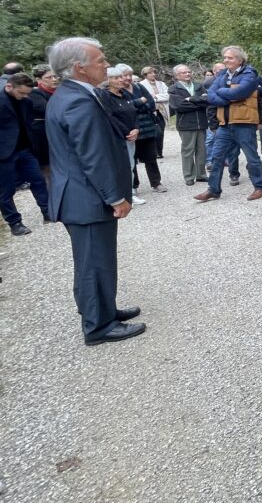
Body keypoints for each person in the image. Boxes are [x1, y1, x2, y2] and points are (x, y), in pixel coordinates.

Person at [45, 37, 145, 346]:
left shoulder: (76, 94)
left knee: (97, 259)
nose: (106, 64)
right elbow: (92, 154)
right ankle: (98, 326)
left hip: (84, 195)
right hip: (85, 197)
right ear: (79, 67)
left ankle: (103, 310)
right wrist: (115, 197)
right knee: (93, 262)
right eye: (100, 60)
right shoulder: (78, 100)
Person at [195, 45, 262, 202]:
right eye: (225, 57)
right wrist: (228, 97)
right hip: (224, 125)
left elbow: (239, 92)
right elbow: (210, 95)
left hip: (244, 123)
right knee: (217, 158)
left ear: (239, 60)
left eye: (230, 57)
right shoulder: (222, 75)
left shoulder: (249, 74)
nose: (226, 60)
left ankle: (260, 187)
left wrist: (222, 92)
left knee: (252, 157)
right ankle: (213, 190)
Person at [1, 73, 50, 235]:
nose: (24, 96)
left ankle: (47, 211)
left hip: (25, 149)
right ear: (9, 86)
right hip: (4, 153)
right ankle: (15, 223)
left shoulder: (26, 102)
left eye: (26, 93)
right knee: (6, 190)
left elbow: (28, 123)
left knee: (38, 180)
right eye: (21, 93)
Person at [101, 66, 145, 205]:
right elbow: (110, 117)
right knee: (119, 167)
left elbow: (133, 112)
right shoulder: (104, 96)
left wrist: (136, 128)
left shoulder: (124, 94)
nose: (121, 80)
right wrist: (127, 132)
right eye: (116, 78)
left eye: (121, 77)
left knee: (130, 165)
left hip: (131, 136)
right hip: (117, 137)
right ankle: (119, 196)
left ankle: (129, 194)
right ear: (107, 80)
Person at [121, 64, 166, 195]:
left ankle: (156, 183)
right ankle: (134, 185)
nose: (128, 78)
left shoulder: (139, 87)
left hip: (147, 127)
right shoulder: (118, 91)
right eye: (125, 75)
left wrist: (135, 105)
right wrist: (140, 102)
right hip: (130, 129)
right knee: (131, 159)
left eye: (130, 75)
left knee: (151, 157)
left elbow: (151, 104)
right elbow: (123, 108)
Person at [168, 64, 209, 186]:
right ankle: (189, 176)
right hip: (185, 124)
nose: (187, 74)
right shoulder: (174, 89)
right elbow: (179, 106)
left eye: (189, 72)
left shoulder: (199, 86)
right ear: (177, 76)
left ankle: (201, 175)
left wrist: (191, 100)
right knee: (188, 151)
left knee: (201, 150)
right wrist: (198, 102)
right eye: (184, 72)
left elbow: (207, 101)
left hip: (201, 122)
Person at [28, 64, 59, 189]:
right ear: (38, 80)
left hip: (58, 134)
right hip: (43, 137)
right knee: (47, 170)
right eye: (49, 77)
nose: (54, 79)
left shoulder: (60, 91)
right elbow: (48, 109)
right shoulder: (35, 93)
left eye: (55, 76)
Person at [140, 66, 170, 158]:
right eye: (150, 73)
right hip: (150, 111)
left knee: (161, 131)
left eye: (154, 72)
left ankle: (159, 152)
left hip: (161, 110)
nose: (153, 74)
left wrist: (155, 97)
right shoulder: (141, 85)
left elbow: (167, 95)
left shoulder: (161, 84)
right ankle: (152, 151)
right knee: (154, 132)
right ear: (145, 75)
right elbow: (144, 98)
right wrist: (154, 98)